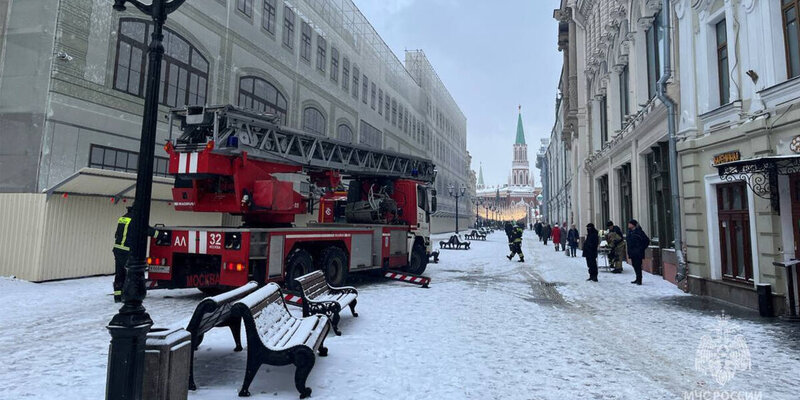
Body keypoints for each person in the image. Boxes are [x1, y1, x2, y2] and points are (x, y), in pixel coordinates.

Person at [113, 206, 159, 303]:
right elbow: (146, 230)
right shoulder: (136, 219)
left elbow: (117, 234)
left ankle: (117, 296)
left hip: (118, 249)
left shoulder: (123, 218)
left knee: (119, 272)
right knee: (132, 273)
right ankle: (130, 294)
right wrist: (161, 235)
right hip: (127, 250)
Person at [625, 219, 650, 285]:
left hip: (638, 252)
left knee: (638, 265)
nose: (628, 225)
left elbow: (646, 241)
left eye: (630, 224)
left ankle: (639, 279)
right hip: (632, 252)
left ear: (633, 225)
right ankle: (637, 278)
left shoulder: (639, 232)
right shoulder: (630, 232)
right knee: (634, 265)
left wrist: (641, 248)